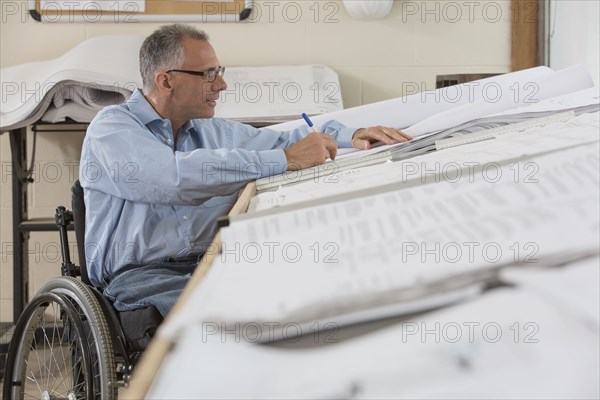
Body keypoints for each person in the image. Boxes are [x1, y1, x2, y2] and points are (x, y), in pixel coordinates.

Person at [79, 24, 411, 317]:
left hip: (211, 262)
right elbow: (173, 179)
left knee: (303, 288)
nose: (221, 84)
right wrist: (286, 159)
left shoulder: (212, 131)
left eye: (219, 71)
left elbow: (285, 138)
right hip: (140, 275)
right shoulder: (112, 128)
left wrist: (350, 135)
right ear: (166, 81)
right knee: (227, 318)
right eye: (208, 74)